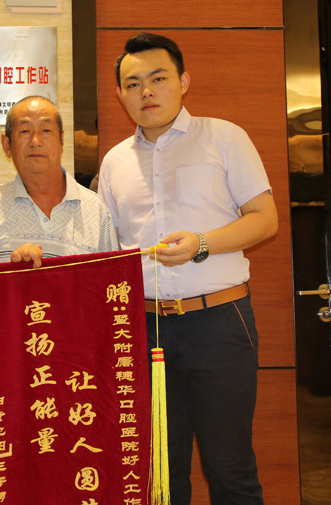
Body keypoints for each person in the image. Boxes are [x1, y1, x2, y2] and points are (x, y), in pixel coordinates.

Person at [98, 33, 278, 505]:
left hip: (218, 322)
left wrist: (202, 243)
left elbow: (265, 220)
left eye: (158, 78)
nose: (146, 91)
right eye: (133, 84)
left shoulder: (224, 137)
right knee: (160, 472)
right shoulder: (114, 162)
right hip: (144, 329)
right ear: (120, 94)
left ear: (183, 81)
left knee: (230, 468)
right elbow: (109, 251)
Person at [0, 95, 119, 267]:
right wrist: (15, 270)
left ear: (61, 141)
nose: (35, 141)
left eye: (46, 130)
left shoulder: (96, 209)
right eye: (25, 131)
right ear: (7, 144)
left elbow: (112, 276)